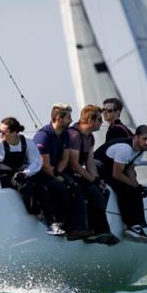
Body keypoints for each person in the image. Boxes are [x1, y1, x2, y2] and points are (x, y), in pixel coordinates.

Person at [0, 117, 63, 236]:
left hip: (21, 173)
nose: (0, 134)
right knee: (25, 185)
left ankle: (53, 223)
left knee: (43, 187)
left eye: (4, 132)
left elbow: (36, 162)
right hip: (1, 178)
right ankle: (37, 214)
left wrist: (25, 173)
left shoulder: (27, 143)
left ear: (15, 132)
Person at [33, 103, 93, 240]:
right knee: (62, 188)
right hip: (41, 173)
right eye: (68, 118)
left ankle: (79, 228)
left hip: (55, 171)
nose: (71, 120)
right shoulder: (44, 136)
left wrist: (59, 174)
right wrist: (56, 177)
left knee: (75, 186)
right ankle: (66, 227)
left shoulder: (65, 134)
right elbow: (44, 165)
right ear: (59, 119)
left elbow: (65, 158)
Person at [65, 105, 119, 245]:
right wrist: (92, 181)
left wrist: (97, 180)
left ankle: (95, 228)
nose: (102, 122)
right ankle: (101, 231)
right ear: (90, 120)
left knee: (104, 191)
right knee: (93, 192)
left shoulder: (90, 138)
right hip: (66, 173)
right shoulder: (74, 135)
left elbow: (89, 163)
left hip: (78, 173)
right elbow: (74, 165)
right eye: (99, 120)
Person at [95, 125, 147, 242]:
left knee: (136, 190)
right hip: (98, 168)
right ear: (136, 137)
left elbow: (130, 169)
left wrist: (137, 186)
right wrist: (133, 185)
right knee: (124, 188)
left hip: (111, 169)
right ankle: (130, 225)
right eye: (145, 139)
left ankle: (136, 226)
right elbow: (117, 174)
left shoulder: (140, 149)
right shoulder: (125, 149)